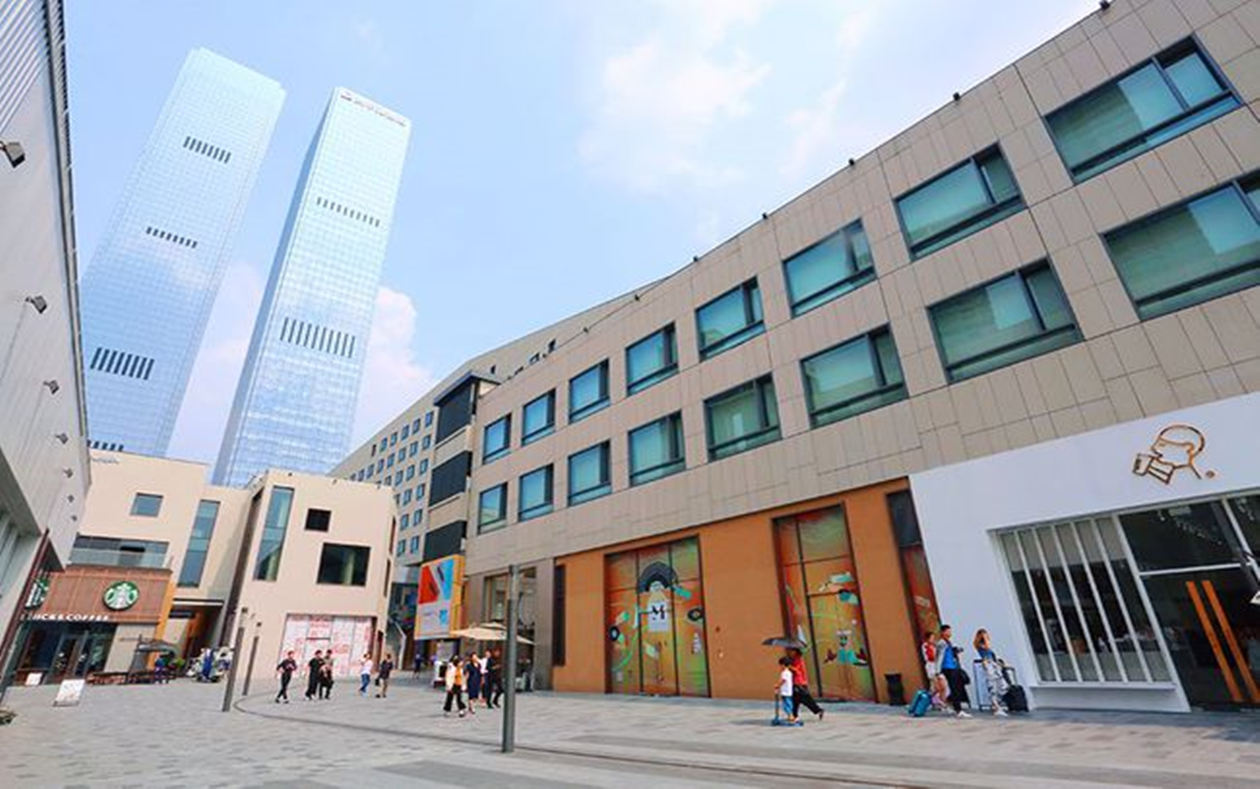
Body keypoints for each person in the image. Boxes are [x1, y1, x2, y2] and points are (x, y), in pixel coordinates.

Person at [935, 624, 971, 718]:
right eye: (948, 631)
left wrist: (957, 650)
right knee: (954, 688)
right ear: (943, 632)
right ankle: (958, 710)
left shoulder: (948, 642)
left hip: (953, 667)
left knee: (955, 688)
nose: (950, 633)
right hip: (948, 668)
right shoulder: (942, 643)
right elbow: (938, 657)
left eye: (950, 631)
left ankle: (952, 704)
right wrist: (938, 671)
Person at [974, 629, 1009, 717]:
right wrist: (985, 638)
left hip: (993, 664)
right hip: (988, 664)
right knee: (992, 685)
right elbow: (987, 647)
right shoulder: (980, 645)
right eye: (985, 635)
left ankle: (996, 704)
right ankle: (996, 706)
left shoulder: (984, 645)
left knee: (1003, 685)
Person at [786, 647, 823, 721]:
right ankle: (794, 715)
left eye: (791, 651)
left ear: (795, 651)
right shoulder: (794, 659)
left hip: (799, 682)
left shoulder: (798, 659)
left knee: (805, 699)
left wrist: (788, 666)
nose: (790, 652)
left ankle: (818, 710)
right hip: (796, 682)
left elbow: (796, 670)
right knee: (795, 700)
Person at [775, 656, 799, 724]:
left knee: (786, 705)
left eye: (780, 665)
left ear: (783, 665)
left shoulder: (784, 672)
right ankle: (790, 716)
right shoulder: (789, 672)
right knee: (789, 704)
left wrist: (778, 685)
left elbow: (783, 680)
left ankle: (791, 716)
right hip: (788, 691)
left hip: (785, 692)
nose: (780, 667)